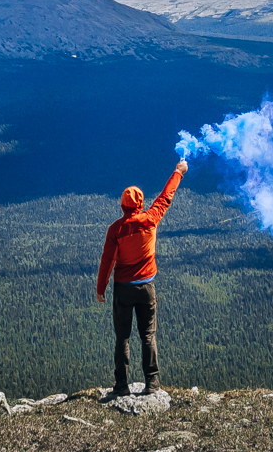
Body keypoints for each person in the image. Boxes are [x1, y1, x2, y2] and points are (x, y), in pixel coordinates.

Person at [96, 159, 187, 396]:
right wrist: (178, 172)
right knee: (148, 335)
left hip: (123, 289)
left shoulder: (116, 229)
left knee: (122, 338)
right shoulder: (151, 218)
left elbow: (107, 261)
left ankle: (122, 385)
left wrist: (101, 288)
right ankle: (152, 383)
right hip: (147, 286)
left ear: (122, 205)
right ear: (141, 203)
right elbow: (166, 197)